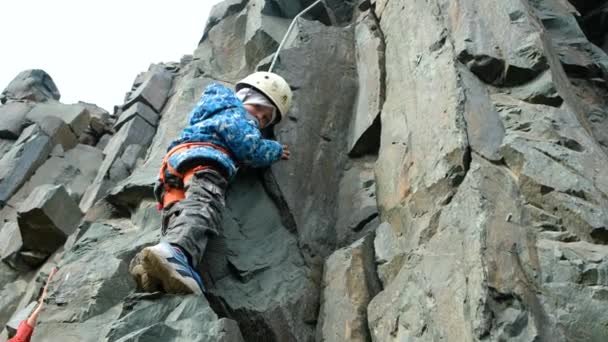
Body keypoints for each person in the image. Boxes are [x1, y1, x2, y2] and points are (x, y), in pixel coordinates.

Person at [129, 72, 293, 295]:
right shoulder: (236, 112)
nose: (259, 120)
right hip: (206, 161)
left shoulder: (212, 110)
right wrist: (273, 149)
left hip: (173, 169)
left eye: (265, 120)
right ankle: (176, 252)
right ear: (245, 99)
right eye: (259, 110)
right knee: (204, 206)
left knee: (178, 214)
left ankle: (151, 270)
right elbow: (249, 149)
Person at [8, 267, 58, 342]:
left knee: (41, 304)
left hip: (23, 332)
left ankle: (51, 277)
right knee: (41, 303)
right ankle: (51, 277)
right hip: (23, 332)